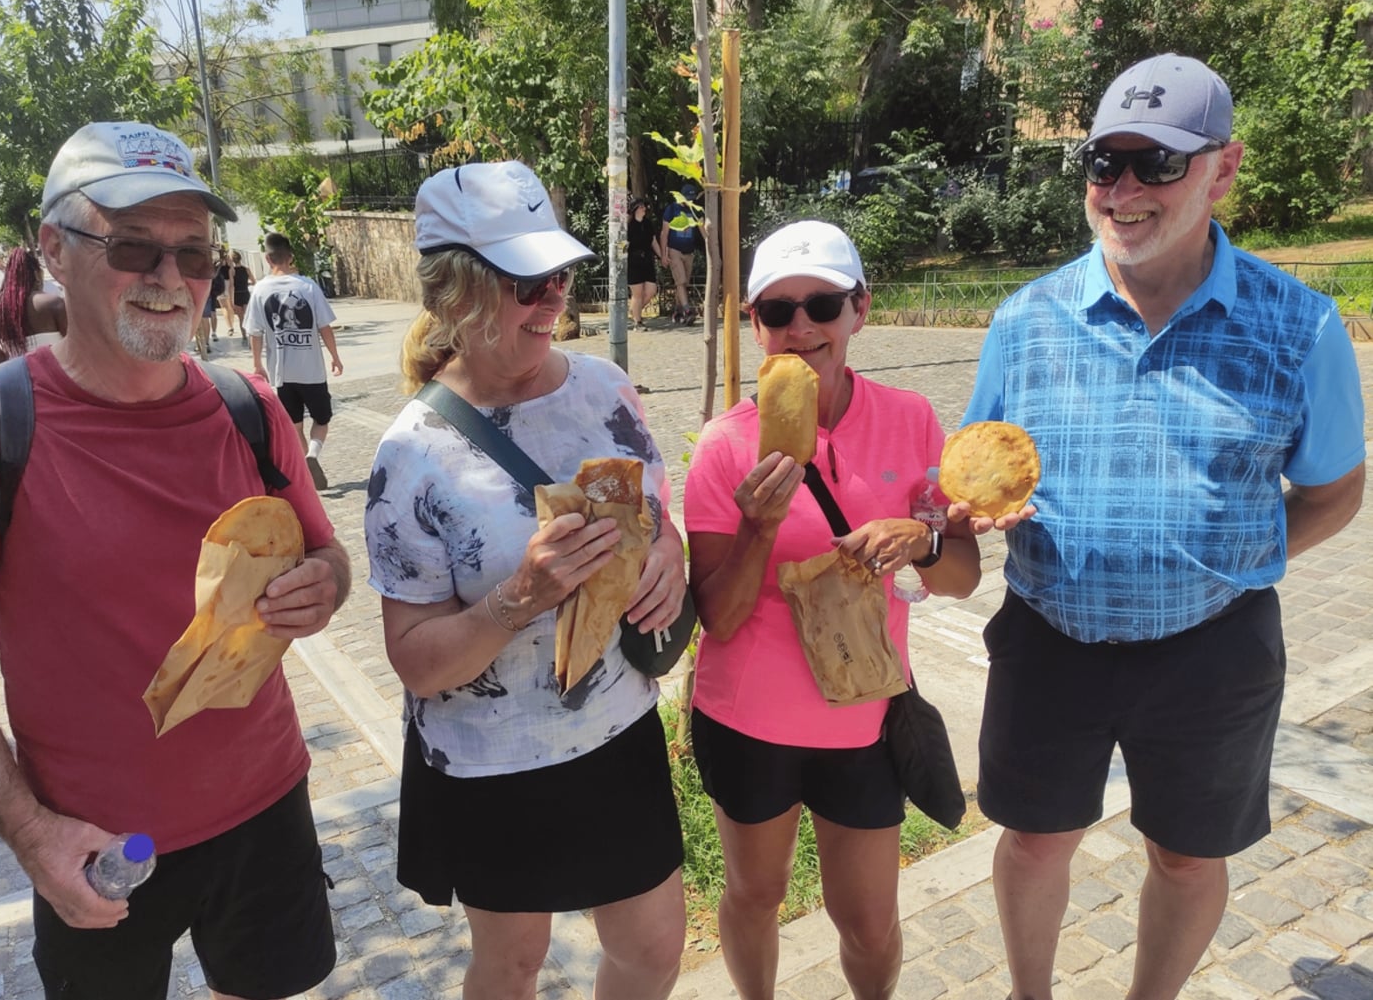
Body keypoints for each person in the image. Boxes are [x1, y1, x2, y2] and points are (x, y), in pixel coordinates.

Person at [0, 120, 350, 1000]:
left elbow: (326, 552)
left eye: (194, 254)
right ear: (54, 249)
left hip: (266, 805)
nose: (170, 278)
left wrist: (324, 584)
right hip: (95, 843)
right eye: (133, 246)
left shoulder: (248, 407)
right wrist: (28, 830)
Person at [954, 55, 1366, 1000]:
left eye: (1159, 163)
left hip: (1212, 648)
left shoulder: (1300, 327)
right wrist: (966, 516)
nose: (1124, 189)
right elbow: (976, 473)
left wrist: (1235, 557)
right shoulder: (1025, 321)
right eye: (1106, 162)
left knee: (1186, 854)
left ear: (1223, 169)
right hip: (1048, 635)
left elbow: (1337, 491)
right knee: (1034, 837)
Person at [365, 160, 688, 1000]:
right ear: (453, 294)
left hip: (616, 728)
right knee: (513, 963)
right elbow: (417, 661)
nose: (553, 299)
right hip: (493, 761)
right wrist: (519, 599)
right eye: (525, 283)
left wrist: (669, 554)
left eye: (559, 276)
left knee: (654, 947)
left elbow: (658, 517)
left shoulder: (605, 388)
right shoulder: (410, 455)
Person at [683, 218, 981, 1000]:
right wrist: (758, 526)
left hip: (865, 718)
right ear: (754, 323)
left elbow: (961, 577)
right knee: (755, 895)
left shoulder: (911, 418)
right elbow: (717, 618)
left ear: (860, 309)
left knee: (870, 921)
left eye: (822, 304)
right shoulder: (725, 445)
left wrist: (922, 539)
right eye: (776, 311)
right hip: (749, 718)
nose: (801, 326)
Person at [246, 232, 343, 491]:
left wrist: (257, 364)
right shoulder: (308, 287)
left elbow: (254, 332)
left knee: (294, 424)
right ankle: (312, 454)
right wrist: (335, 356)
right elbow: (324, 326)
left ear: (267, 259)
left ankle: (306, 468)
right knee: (322, 419)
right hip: (311, 371)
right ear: (290, 257)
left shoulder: (259, 291)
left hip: (281, 373)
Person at [0, 245, 68, 362]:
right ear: (36, 274)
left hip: (20, 372)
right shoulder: (54, 304)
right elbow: (77, 346)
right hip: (56, 369)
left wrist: (17, 358)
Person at [659, 184, 702, 325]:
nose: (689, 201)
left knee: (683, 284)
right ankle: (688, 311)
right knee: (681, 281)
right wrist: (664, 254)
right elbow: (664, 233)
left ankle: (677, 311)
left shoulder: (694, 209)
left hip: (689, 251)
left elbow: (701, 227)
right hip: (674, 250)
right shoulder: (672, 209)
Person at [627, 196, 663, 330]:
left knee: (651, 290)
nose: (644, 209)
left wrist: (661, 256)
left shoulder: (648, 223)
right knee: (637, 293)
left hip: (647, 260)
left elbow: (653, 241)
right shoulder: (629, 225)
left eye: (644, 206)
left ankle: (634, 311)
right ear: (635, 209)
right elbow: (624, 244)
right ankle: (638, 322)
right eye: (641, 206)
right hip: (633, 261)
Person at [225, 249, 254, 339]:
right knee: (248, 317)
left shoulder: (232, 271)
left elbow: (231, 286)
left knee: (241, 318)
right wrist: (246, 284)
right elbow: (254, 281)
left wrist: (231, 300)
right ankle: (250, 334)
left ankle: (244, 336)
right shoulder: (246, 269)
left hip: (237, 295)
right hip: (245, 293)